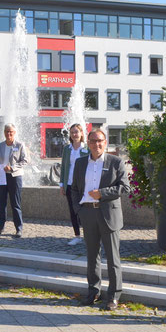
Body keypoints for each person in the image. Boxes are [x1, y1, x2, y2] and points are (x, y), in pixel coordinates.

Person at [71, 129, 130, 311]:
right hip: (88, 213)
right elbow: (74, 189)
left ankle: (113, 296)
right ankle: (93, 291)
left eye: (100, 141)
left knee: (113, 258)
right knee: (92, 256)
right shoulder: (80, 163)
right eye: (93, 141)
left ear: (105, 143)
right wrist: (78, 210)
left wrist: (101, 194)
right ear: (87, 143)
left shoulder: (116, 162)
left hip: (108, 214)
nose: (97, 144)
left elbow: (125, 188)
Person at [0, 124, 29, 238]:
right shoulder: (0, 146)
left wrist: (12, 167)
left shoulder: (20, 145)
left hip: (15, 176)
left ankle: (19, 228)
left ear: (15, 132)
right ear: (4, 133)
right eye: (7, 131)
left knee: (15, 203)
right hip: (2, 177)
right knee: (1, 203)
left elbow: (26, 160)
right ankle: (0, 227)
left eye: (11, 132)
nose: (9, 134)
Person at [59, 124, 90, 245]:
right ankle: (77, 235)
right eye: (72, 132)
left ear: (82, 133)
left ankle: (88, 234)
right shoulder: (67, 149)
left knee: (85, 210)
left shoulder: (86, 148)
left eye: (76, 132)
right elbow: (63, 167)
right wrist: (62, 184)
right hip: (70, 184)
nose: (74, 134)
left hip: (83, 185)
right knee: (73, 211)